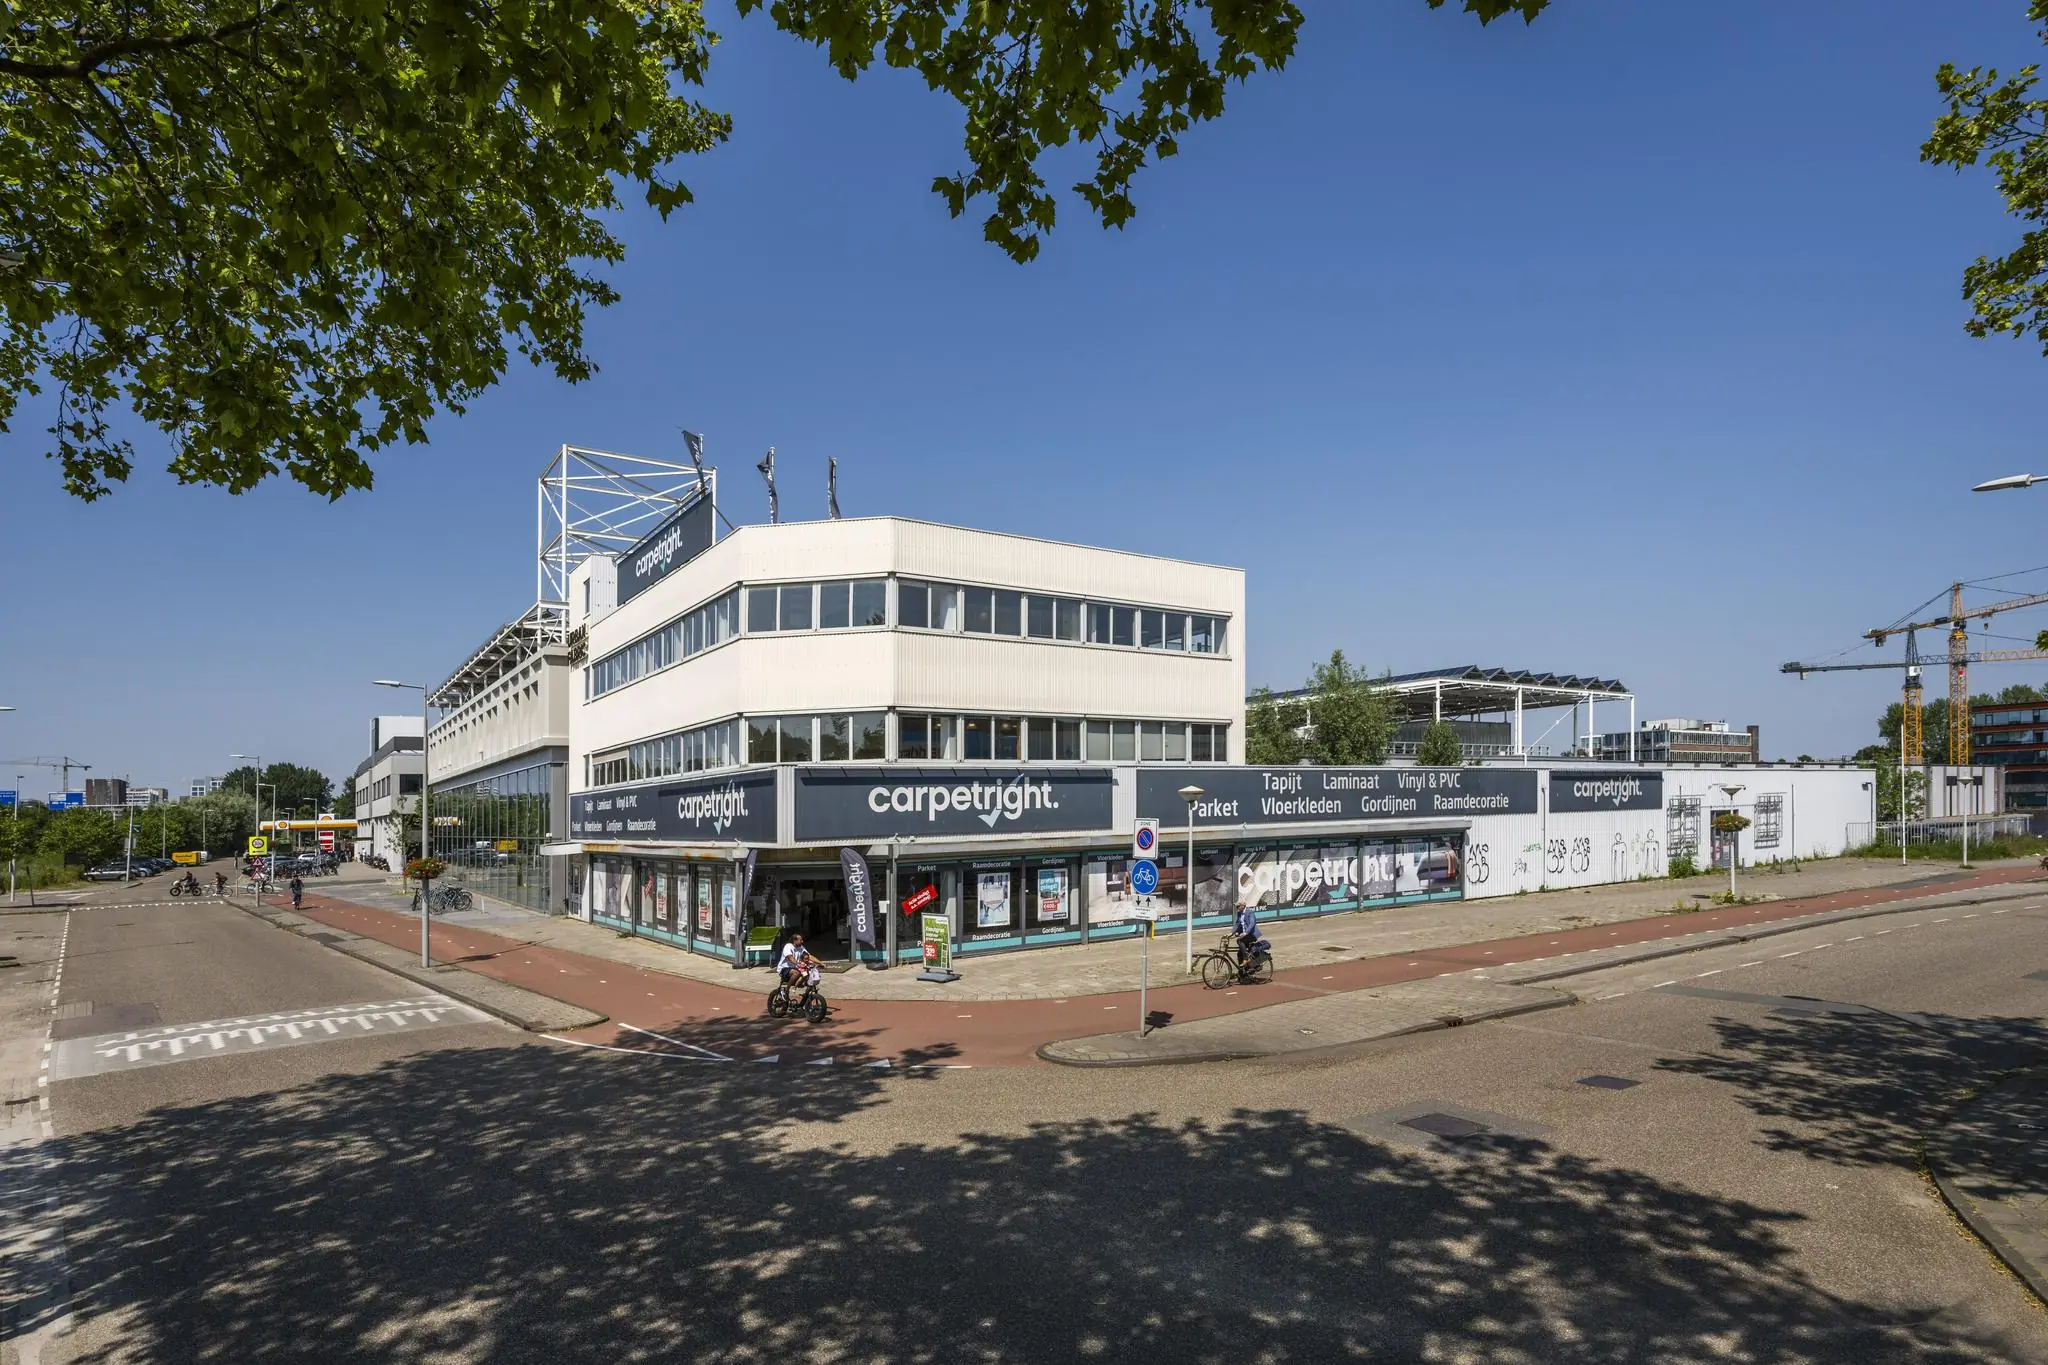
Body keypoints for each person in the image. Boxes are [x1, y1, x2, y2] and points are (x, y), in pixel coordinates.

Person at [1233, 902, 1268, 967]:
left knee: (1239, 941)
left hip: (1252, 934)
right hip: (1245, 935)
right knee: (1239, 953)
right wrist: (1231, 933)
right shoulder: (1239, 913)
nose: (1236, 908)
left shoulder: (1250, 912)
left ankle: (1246, 959)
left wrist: (1245, 933)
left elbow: (1252, 924)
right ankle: (1244, 972)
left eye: (1238, 906)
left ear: (1243, 906)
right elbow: (1237, 924)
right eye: (1236, 907)